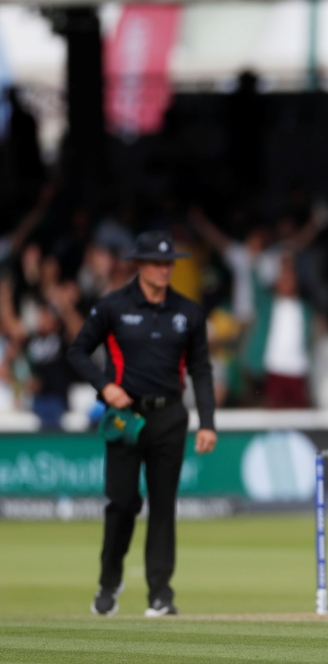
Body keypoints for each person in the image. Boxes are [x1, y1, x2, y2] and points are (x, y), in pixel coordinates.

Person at [67, 231, 217, 618]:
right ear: (139, 265)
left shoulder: (188, 312)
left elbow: (201, 369)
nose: (164, 269)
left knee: (164, 506)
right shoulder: (113, 307)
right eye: (156, 263)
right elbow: (78, 351)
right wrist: (105, 388)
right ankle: (108, 584)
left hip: (170, 416)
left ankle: (160, 594)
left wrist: (207, 422)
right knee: (121, 504)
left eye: (169, 263)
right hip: (125, 417)